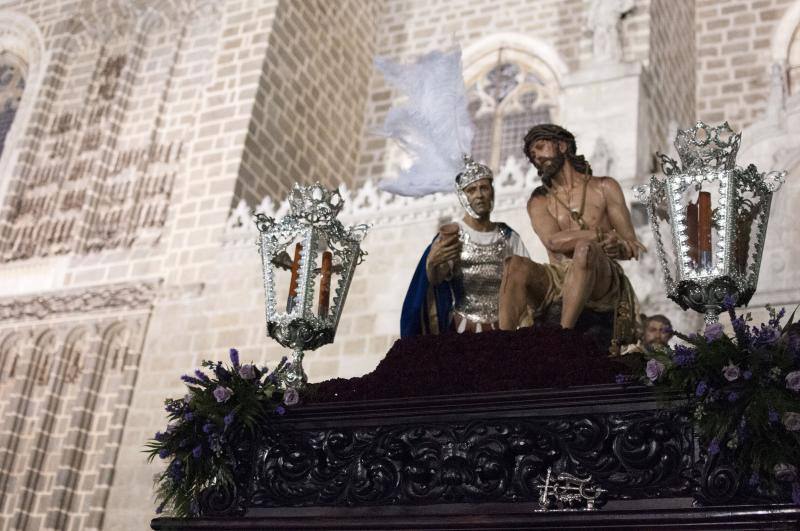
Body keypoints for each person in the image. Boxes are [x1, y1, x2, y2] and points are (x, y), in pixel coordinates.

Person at [498, 123, 644, 353]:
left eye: (540, 147)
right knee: (514, 264)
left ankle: (563, 336)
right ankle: (499, 344)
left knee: (585, 249)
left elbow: (632, 245)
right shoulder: (540, 200)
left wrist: (619, 246)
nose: (537, 157)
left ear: (563, 146)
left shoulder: (604, 187)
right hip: (559, 275)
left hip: (602, 274)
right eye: (532, 155)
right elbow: (553, 241)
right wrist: (600, 234)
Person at [402, 157, 529, 336]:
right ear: (463, 196)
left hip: (503, 328)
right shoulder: (453, 235)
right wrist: (431, 264)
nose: (479, 195)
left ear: (492, 192)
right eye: (471, 190)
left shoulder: (508, 236)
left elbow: (526, 279)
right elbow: (436, 279)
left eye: (484, 188)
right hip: (463, 328)